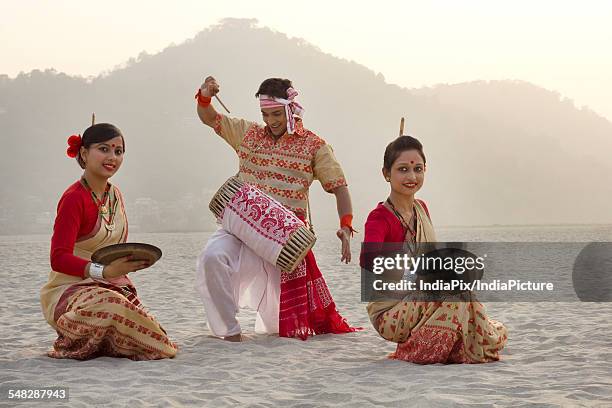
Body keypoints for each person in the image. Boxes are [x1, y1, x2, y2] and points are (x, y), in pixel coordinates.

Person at [194, 76, 357, 341]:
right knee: (212, 257)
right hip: (240, 227)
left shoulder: (314, 146)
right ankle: (230, 332)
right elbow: (209, 117)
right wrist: (204, 95)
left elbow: (339, 187)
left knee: (280, 327)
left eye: (277, 114)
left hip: (284, 240)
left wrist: (346, 226)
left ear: (291, 108)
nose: (271, 121)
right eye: (265, 114)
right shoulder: (248, 134)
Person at [362, 135, 507, 364]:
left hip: (420, 298)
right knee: (454, 295)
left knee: (462, 289)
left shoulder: (422, 208)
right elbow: (369, 261)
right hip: (389, 312)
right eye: (402, 169)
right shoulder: (379, 218)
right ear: (386, 174)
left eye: (418, 169)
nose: (412, 177)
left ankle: (453, 348)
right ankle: (416, 351)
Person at [40, 123, 178, 360]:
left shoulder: (115, 196)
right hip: (69, 292)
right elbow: (58, 258)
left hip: (109, 286)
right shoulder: (74, 198)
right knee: (112, 306)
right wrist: (104, 271)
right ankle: (72, 335)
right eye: (103, 149)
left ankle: (105, 341)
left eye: (118, 151)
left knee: (158, 339)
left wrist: (125, 266)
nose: (112, 157)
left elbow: (113, 251)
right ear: (84, 153)